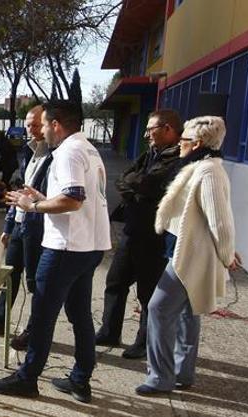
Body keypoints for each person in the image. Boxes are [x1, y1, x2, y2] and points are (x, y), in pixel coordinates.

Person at [0, 100, 111, 403]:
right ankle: (81, 379)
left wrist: (33, 206)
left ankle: (27, 378)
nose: (41, 131)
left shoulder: (67, 152)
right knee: (79, 313)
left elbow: (73, 199)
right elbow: (75, 198)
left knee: (43, 314)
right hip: (89, 246)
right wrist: (41, 197)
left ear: (56, 124)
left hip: (66, 247)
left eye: (44, 125)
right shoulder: (89, 149)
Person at [137, 116, 238, 395]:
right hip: (182, 250)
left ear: (197, 143)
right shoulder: (198, 167)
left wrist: (227, 254)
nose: (179, 145)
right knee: (186, 313)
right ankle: (182, 372)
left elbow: (220, 221)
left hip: (190, 255)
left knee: (159, 308)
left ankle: (161, 377)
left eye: (183, 141)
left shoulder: (209, 172)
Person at [96, 110, 182, 359]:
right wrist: (135, 189)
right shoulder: (150, 154)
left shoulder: (176, 158)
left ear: (167, 129)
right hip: (132, 230)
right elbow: (124, 178)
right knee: (115, 281)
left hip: (153, 234)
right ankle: (110, 331)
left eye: (151, 129)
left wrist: (136, 187)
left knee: (148, 292)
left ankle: (144, 342)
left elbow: (149, 184)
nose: (146, 135)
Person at [0, 105, 51, 342]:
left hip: (39, 226)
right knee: (9, 275)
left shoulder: (56, 154)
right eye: (28, 125)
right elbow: (20, 191)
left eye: (36, 124)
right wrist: (8, 226)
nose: (31, 129)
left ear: (48, 124)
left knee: (35, 282)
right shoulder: (28, 151)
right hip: (19, 222)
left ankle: (33, 330)